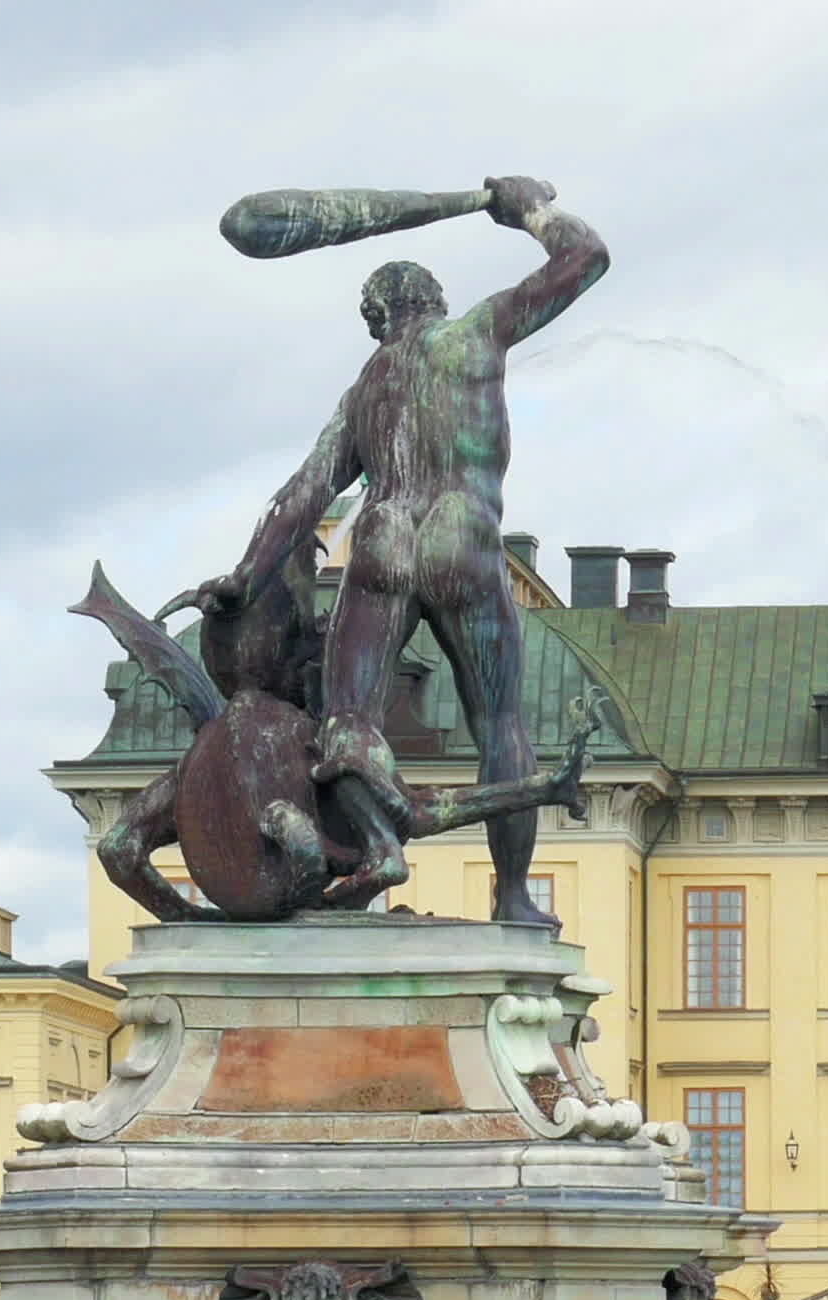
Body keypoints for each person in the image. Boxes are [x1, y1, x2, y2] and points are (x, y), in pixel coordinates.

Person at [209, 177, 610, 927]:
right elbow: (586, 256)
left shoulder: (365, 389)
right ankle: (515, 895)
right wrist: (530, 211)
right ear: (436, 303)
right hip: (464, 532)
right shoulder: (478, 333)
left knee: (349, 721)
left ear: (376, 321)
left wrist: (245, 576)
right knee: (500, 725)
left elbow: (303, 497)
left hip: (385, 531)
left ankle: (373, 856)